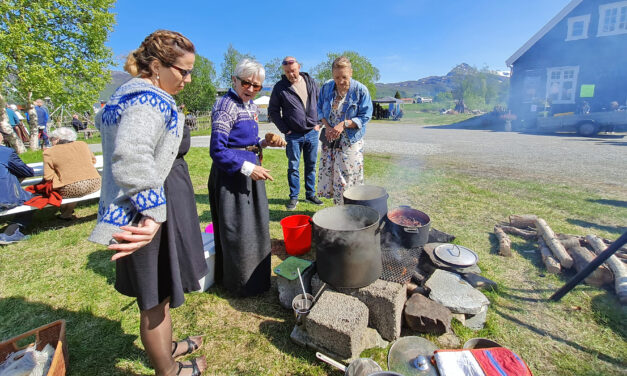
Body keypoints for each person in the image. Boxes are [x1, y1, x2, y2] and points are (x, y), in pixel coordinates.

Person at [88, 30, 207, 376]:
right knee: (154, 300)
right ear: (156, 66)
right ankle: (168, 369)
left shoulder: (125, 94)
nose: (187, 79)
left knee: (162, 293)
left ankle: (167, 347)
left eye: (190, 71)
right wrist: (153, 215)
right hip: (142, 212)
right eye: (182, 71)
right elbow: (130, 157)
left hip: (137, 205)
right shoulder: (147, 98)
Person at [208, 58, 286, 297]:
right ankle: (239, 283)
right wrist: (248, 169)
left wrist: (264, 142)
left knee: (254, 229)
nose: (251, 89)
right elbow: (218, 150)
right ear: (234, 80)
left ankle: (256, 279)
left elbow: (246, 144)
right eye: (246, 83)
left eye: (257, 86)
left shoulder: (250, 106)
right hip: (232, 177)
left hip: (250, 173)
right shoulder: (225, 106)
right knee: (237, 231)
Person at [268, 56, 323, 210]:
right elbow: (272, 111)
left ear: (299, 67)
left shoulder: (311, 82)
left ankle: (310, 194)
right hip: (293, 135)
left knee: (311, 165)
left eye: (293, 71)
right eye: (287, 72)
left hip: (312, 132)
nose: (290, 74)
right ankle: (294, 197)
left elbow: (320, 103)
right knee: (293, 166)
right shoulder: (280, 87)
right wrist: (285, 129)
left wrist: (318, 123)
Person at [317, 56, 372, 205]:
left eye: (344, 77)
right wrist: (328, 127)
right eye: (336, 77)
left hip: (350, 141)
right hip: (331, 140)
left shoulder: (360, 90)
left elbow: (365, 116)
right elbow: (320, 110)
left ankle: (350, 210)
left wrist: (344, 124)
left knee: (347, 177)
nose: (340, 81)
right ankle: (338, 210)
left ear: (351, 73)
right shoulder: (326, 87)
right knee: (333, 176)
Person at [43, 127, 101, 220]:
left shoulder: (49, 152)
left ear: (58, 139)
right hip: (95, 183)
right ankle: (67, 213)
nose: (50, 142)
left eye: (51, 139)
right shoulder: (83, 144)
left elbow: (48, 176)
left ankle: (66, 212)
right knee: (74, 184)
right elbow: (93, 160)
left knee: (64, 186)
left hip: (71, 188)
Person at [0, 132, 33, 243]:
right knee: (31, 199)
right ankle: (11, 232)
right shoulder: (5, 152)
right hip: (4, 200)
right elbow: (26, 171)